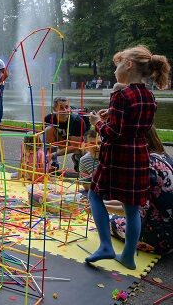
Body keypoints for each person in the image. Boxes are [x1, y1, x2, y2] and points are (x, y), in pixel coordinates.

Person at [86, 45, 170, 270]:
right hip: (139, 155)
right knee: (132, 209)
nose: (116, 70)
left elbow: (113, 134)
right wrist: (111, 113)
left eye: (118, 64)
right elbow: (134, 123)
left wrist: (98, 123)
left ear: (129, 65)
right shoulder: (149, 95)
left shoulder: (121, 93)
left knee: (94, 195)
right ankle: (128, 256)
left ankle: (105, 245)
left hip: (117, 157)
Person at [105, 126, 173, 255]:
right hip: (167, 224)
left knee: (107, 221)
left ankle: (129, 254)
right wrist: (105, 204)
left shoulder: (144, 167)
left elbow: (134, 211)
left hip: (161, 238)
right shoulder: (163, 158)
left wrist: (103, 208)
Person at [43, 96, 90, 169]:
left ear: (70, 108)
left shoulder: (77, 121)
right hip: (63, 140)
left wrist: (54, 154)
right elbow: (44, 140)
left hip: (80, 144)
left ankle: (78, 159)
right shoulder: (48, 118)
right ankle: (54, 162)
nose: (65, 110)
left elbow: (75, 146)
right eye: (61, 108)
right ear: (55, 109)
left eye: (67, 107)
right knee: (48, 130)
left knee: (81, 149)